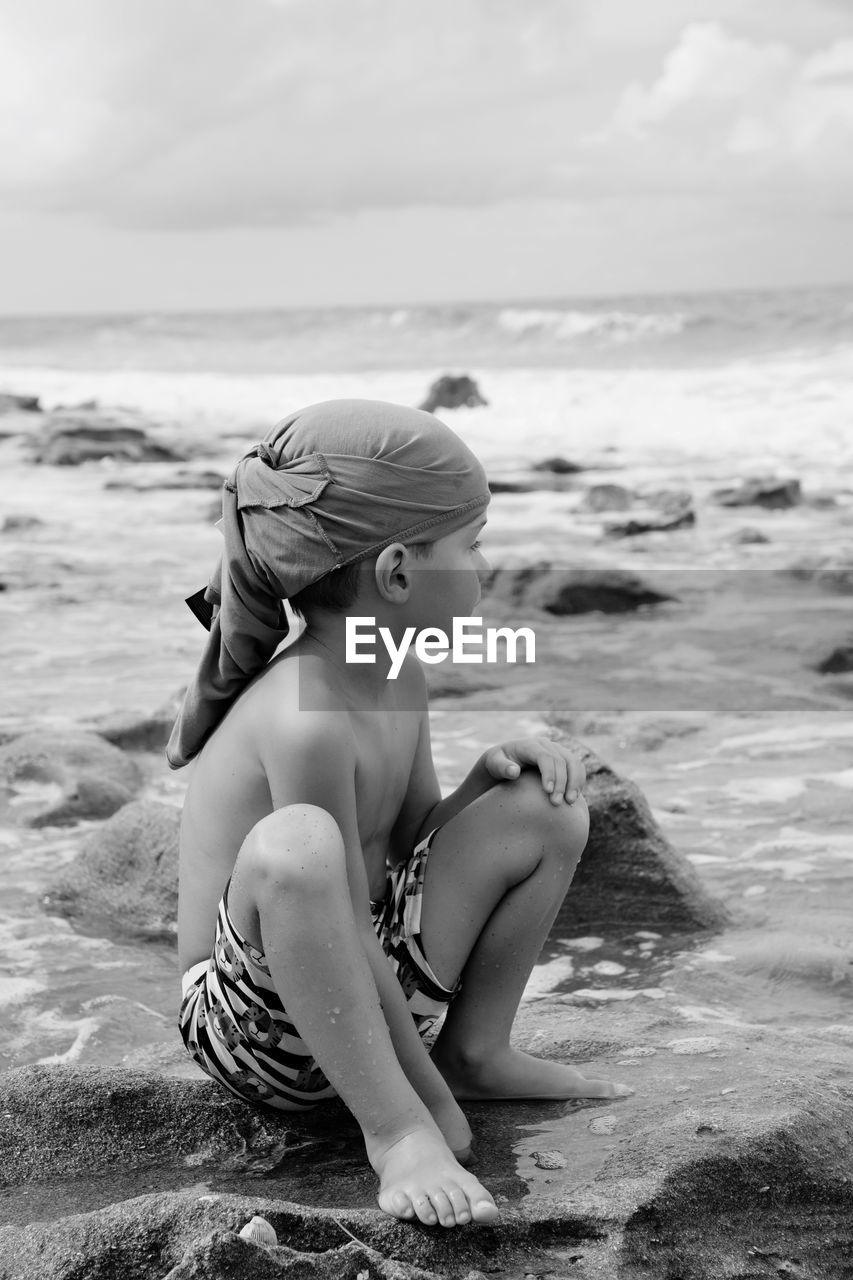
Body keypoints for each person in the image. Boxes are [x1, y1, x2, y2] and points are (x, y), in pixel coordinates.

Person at [170, 399, 629, 1230]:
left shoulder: (397, 671)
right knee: (298, 844)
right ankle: (389, 1135)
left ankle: (475, 1055)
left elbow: (412, 843)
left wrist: (481, 788)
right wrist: (417, 1115)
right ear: (396, 572)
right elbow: (333, 908)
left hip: (362, 965)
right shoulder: (304, 715)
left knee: (543, 805)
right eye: (473, 542)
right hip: (261, 1024)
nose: (485, 563)